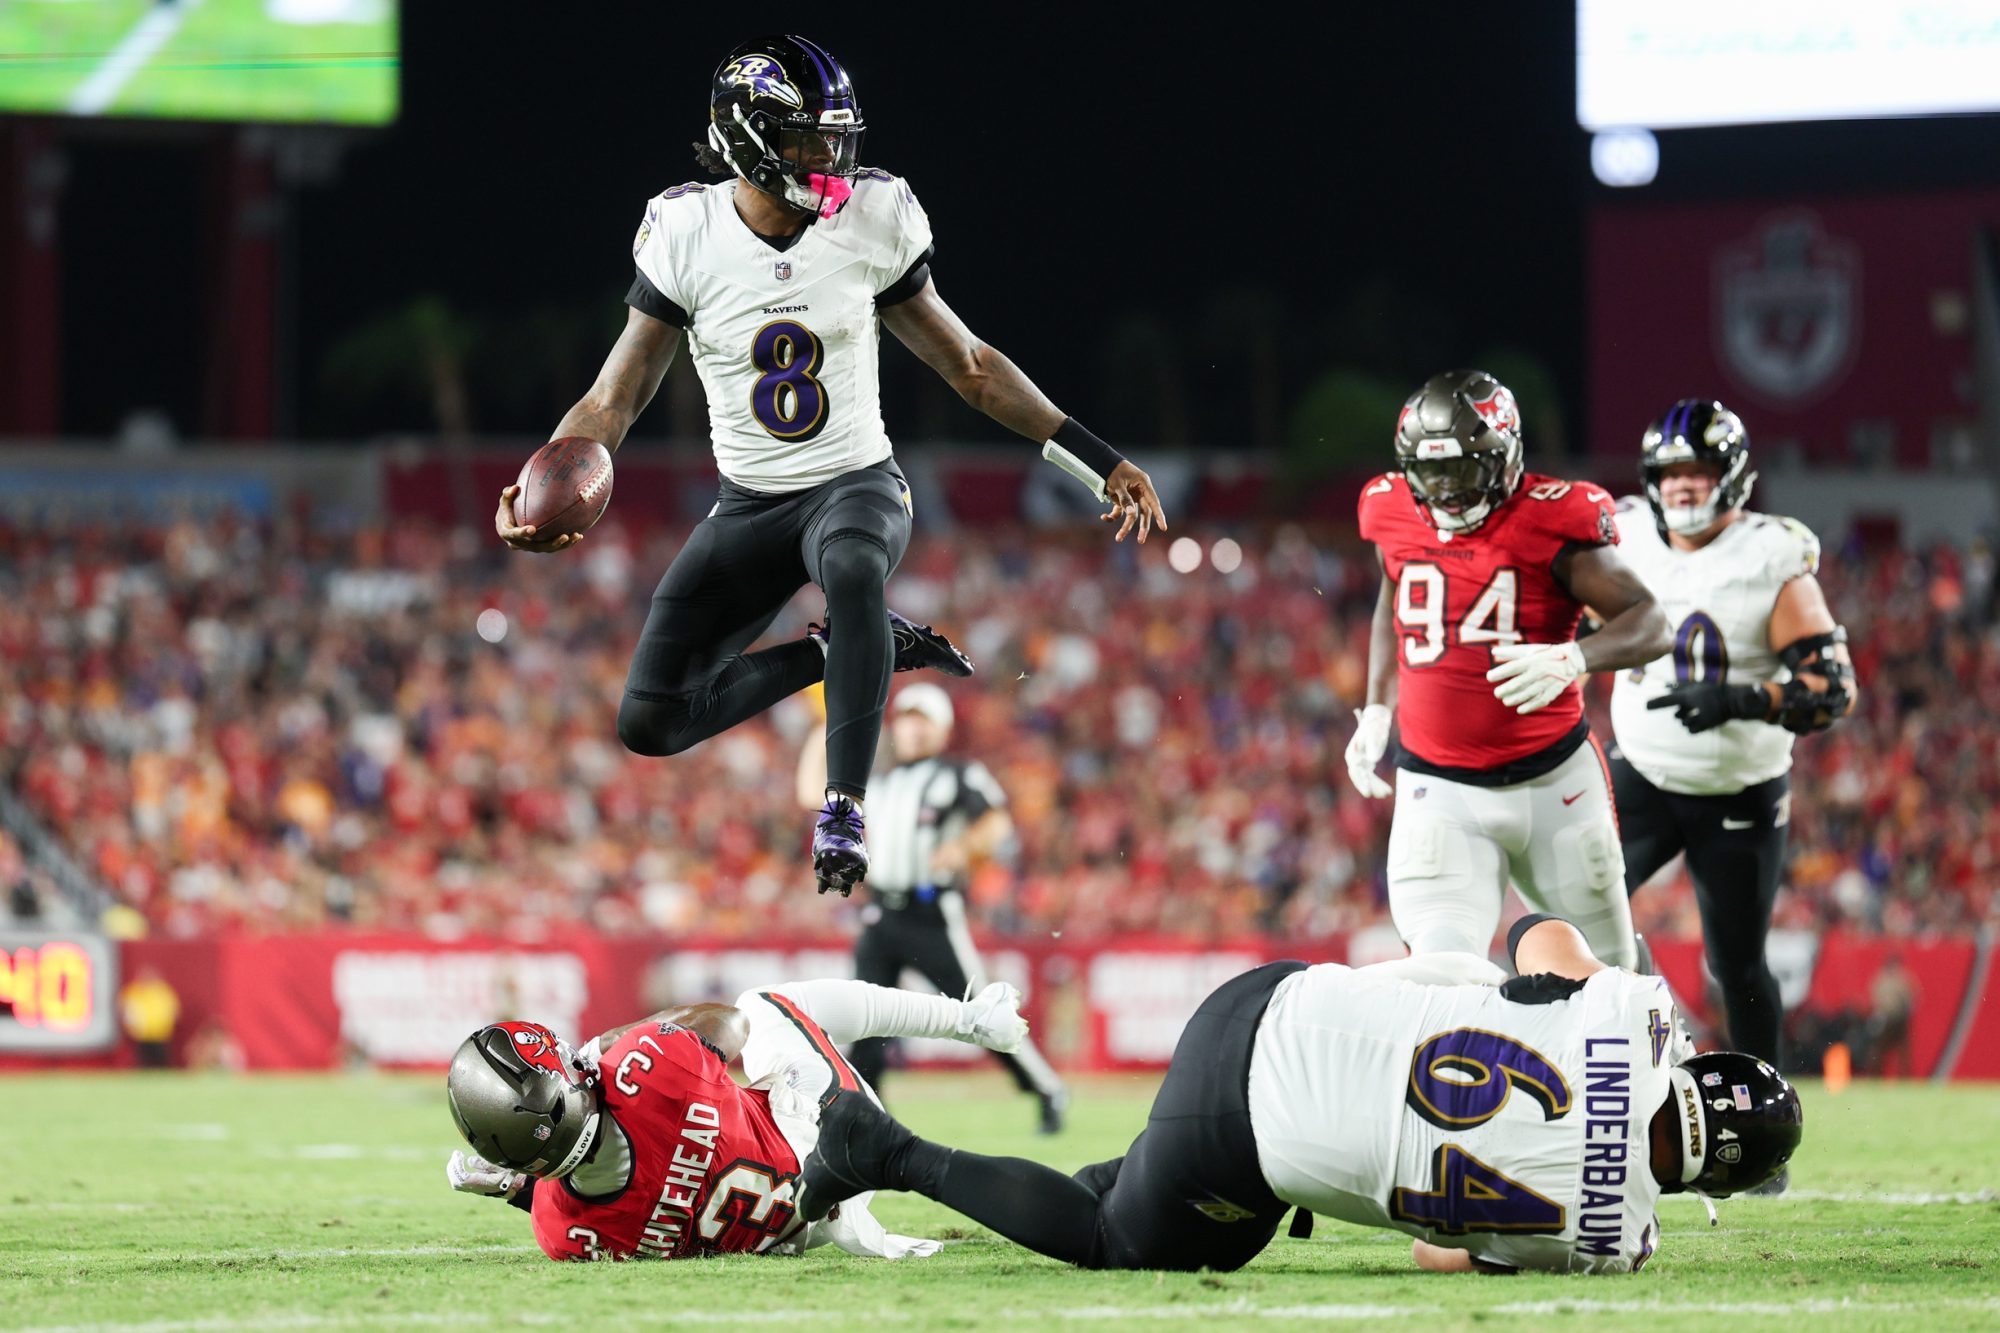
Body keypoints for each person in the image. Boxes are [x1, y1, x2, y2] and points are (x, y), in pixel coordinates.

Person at [492, 34, 1168, 896]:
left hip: (855, 485)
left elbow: (970, 365)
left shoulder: (872, 219)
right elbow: (612, 399)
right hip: (750, 507)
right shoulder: (688, 233)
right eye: (810, 139)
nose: (831, 159)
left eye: (835, 138)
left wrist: (1096, 460)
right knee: (650, 721)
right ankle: (848, 649)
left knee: (852, 565)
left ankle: (845, 805)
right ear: (748, 139)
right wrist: (541, 480)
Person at [796, 917, 1803, 1274]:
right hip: (1249, 1131)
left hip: (1276, 998)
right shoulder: (1613, 1240)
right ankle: (878, 1148)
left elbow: (1531, 933)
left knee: (1186, 1205)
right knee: (1120, 1241)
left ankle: (953, 1171)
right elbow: (1434, 1249)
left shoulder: (1637, 1016)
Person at [1344, 370, 1670, 966]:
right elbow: (1394, 600)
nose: (1444, 491)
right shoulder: (1388, 508)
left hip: (1554, 785)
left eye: (1461, 471)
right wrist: (1375, 711)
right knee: (1441, 974)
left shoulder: (1555, 518)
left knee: (1607, 977)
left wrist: (1576, 656)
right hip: (1438, 787)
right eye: (1429, 472)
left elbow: (1652, 622)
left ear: (1504, 458)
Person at [1608, 401, 1857, 1107]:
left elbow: (1833, 689)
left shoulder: (1769, 555)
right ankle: (1605, 1084)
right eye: (1672, 472)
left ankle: (1762, 1127)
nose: (1684, 485)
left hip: (1739, 788)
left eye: (1700, 469)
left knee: (1737, 964)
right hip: (1643, 772)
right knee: (1570, 912)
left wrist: (1742, 699)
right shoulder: (1625, 536)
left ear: (1733, 475)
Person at [443, 976, 1029, 1261]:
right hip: (835, 1140)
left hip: (801, 1228)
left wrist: (523, 1186)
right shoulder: (644, 1068)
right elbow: (728, 1024)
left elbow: (612, 1200)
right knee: (763, 1004)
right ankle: (972, 1020)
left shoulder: (557, 1232)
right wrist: (600, 1048)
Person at [796, 681, 1069, 1132]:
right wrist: (820, 727)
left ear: (943, 729)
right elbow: (813, 794)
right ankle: (869, 1116)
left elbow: (996, 820)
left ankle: (1046, 1087)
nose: (914, 730)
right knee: (866, 1018)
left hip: (933, 914)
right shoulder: (877, 781)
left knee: (978, 1011)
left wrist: (965, 846)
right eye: (907, 720)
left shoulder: (958, 774)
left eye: (924, 721)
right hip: (881, 913)